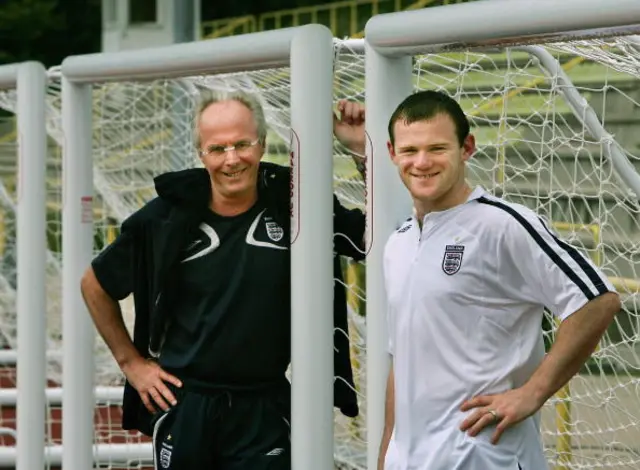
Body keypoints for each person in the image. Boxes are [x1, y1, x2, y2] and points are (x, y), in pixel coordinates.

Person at [80, 90, 367, 469]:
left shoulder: (297, 204)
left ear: (262, 144)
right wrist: (132, 363)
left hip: (264, 408)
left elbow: (370, 239)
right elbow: (94, 284)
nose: (232, 159)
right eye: (217, 149)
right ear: (201, 154)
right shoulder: (165, 218)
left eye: (242, 144)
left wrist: (362, 151)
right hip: (185, 404)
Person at [377, 90, 621, 470]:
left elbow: (598, 299)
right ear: (392, 153)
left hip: (486, 458)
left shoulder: (501, 224)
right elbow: (403, 363)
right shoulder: (399, 243)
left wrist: (531, 394)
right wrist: (387, 454)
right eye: (409, 151)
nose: (422, 162)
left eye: (437, 148)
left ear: (467, 147)